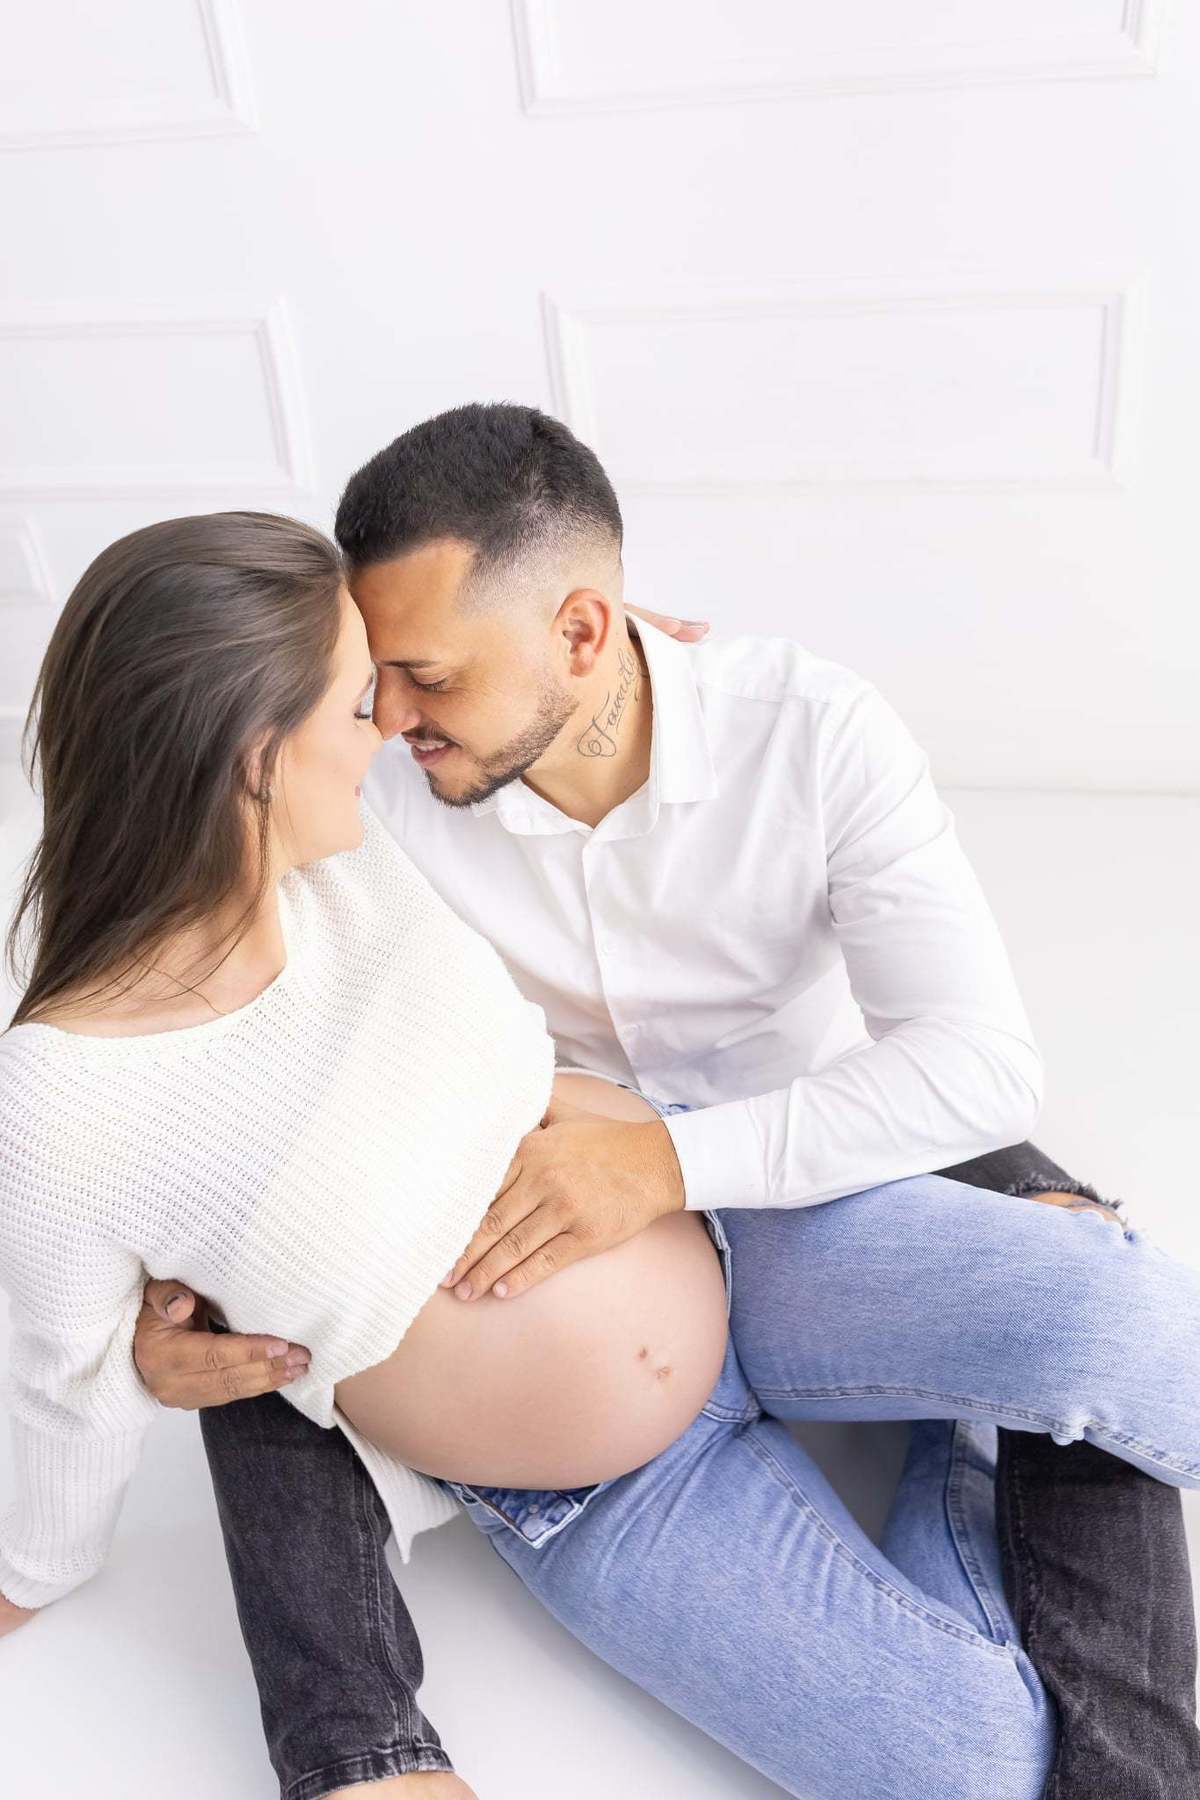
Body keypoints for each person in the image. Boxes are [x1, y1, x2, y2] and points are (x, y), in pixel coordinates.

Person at [1, 453, 1195, 1795]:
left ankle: (995, 1338)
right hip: (601, 1491)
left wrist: (597, 647)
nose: (391, 723)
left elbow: (479, 622)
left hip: (739, 1240)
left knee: (1135, 1324)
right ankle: (975, 1405)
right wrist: (34, 1557)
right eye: (363, 696)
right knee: (977, 1768)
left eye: (410, 684)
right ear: (253, 760)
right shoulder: (69, 1091)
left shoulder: (353, 847)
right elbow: (60, 1390)